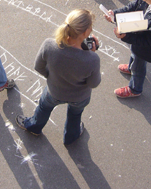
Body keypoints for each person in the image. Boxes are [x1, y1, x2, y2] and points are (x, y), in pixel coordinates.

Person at [16, 9, 101, 145]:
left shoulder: (49, 45)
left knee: (43, 108)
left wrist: (52, 78)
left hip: (54, 91)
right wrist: (91, 54)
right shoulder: (92, 59)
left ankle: (34, 127)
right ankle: (70, 137)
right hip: (79, 97)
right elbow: (93, 84)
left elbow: (39, 67)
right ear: (85, 33)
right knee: (75, 115)